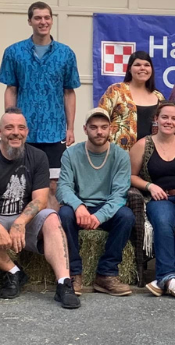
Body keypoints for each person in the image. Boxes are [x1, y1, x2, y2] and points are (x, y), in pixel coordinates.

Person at [0, 108, 80, 309]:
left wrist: (20, 222)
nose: (15, 132)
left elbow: (40, 199)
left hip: (25, 217)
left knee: (52, 218)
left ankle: (64, 283)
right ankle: (13, 271)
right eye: (9, 128)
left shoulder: (38, 157)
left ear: (27, 132)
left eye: (20, 128)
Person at [0, 1, 81, 209]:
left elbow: (69, 91)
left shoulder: (66, 53)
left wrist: (70, 127)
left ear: (52, 20)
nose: (42, 22)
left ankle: (50, 231)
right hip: (23, 131)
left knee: (54, 185)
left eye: (46, 18)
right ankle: (22, 231)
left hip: (54, 131)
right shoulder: (14, 52)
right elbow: (11, 89)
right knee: (20, 182)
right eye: (37, 18)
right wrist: (10, 123)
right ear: (29, 21)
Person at [57, 108, 135, 297]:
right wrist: (79, 207)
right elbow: (63, 188)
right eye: (93, 127)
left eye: (103, 127)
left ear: (111, 129)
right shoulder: (71, 154)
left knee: (126, 216)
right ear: (85, 129)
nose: (99, 132)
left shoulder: (121, 156)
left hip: (105, 208)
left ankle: (106, 274)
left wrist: (99, 216)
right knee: (64, 214)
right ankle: (74, 273)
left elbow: (119, 194)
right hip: (80, 206)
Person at [129, 101, 175, 299]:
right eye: (165, 117)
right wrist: (149, 186)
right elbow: (130, 176)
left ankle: (166, 278)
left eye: (174, 118)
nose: (169, 121)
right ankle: (172, 278)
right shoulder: (143, 144)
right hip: (158, 197)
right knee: (163, 222)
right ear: (156, 119)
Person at [97, 51, 165, 151]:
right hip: (119, 154)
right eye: (137, 65)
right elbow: (99, 118)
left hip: (150, 155)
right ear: (129, 69)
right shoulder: (116, 90)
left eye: (147, 65)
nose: (142, 68)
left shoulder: (158, 96)